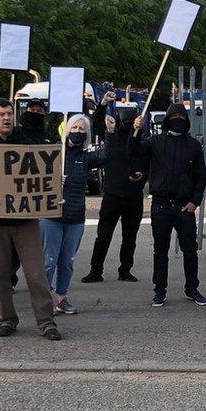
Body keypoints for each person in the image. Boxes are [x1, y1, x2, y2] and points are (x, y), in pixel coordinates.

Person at [0, 98, 61, 340]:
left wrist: (53, 194)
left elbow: (45, 173)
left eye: (9, 113)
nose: (6, 118)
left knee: (36, 274)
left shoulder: (28, 145)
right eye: (1, 114)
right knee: (0, 275)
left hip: (25, 221)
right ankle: (7, 318)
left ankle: (46, 321)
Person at [130, 104, 206, 308]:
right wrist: (135, 131)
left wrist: (194, 201)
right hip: (161, 206)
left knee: (190, 250)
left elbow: (201, 177)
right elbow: (134, 150)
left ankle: (192, 288)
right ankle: (159, 290)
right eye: (173, 116)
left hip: (184, 207)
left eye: (181, 116)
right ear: (166, 119)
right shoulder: (155, 142)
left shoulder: (193, 145)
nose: (177, 119)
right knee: (160, 250)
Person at [40, 114, 107, 315]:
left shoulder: (86, 158)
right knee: (48, 261)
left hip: (75, 217)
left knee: (67, 261)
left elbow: (108, 155)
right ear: (66, 129)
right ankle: (44, 301)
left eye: (82, 129)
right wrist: (53, 179)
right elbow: (34, 179)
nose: (77, 132)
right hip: (51, 216)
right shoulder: (52, 153)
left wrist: (111, 133)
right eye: (74, 128)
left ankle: (61, 297)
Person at [81, 92, 149, 283]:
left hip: (133, 197)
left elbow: (148, 167)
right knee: (103, 235)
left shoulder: (142, 145)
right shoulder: (113, 139)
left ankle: (125, 270)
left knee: (130, 238)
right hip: (112, 195)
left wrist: (142, 175)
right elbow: (97, 125)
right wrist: (102, 105)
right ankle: (96, 270)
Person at [9, 98, 58, 290]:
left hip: (42, 197)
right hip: (20, 195)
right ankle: (10, 278)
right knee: (15, 245)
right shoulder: (16, 135)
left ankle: (38, 280)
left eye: (40, 110)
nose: (36, 113)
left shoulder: (48, 137)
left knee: (37, 244)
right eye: (32, 109)